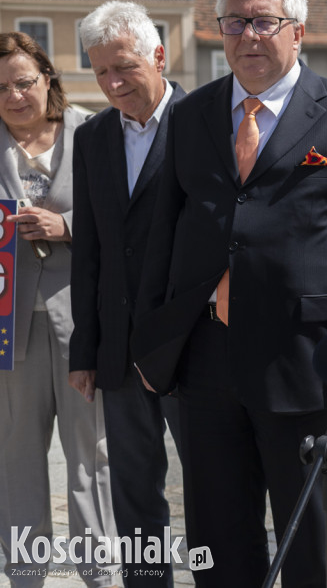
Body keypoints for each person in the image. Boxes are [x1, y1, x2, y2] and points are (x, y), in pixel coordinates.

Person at [132, 0, 327, 588]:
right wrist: (157, 335)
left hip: (303, 359)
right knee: (216, 534)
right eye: (235, 22)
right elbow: (166, 228)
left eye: (264, 21)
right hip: (206, 357)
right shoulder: (192, 115)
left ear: (298, 31)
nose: (248, 36)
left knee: (309, 536)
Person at [71, 1, 185, 588]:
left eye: (125, 68)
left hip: (194, 348)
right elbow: (89, 250)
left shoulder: (208, 122)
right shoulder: (90, 137)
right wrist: (86, 350)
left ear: (159, 56)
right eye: (101, 74)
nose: (113, 84)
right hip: (119, 350)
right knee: (135, 496)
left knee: (217, 491)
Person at [0, 32, 119, 586]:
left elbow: (123, 219)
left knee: (90, 458)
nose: (14, 96)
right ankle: (26, 575)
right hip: (9, 328)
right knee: (16, 459)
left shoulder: (95, 132)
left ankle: (99, 573)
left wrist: (66, 227)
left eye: (23, 81)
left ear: (48, 78)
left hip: (83, 324)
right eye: (1, 87)